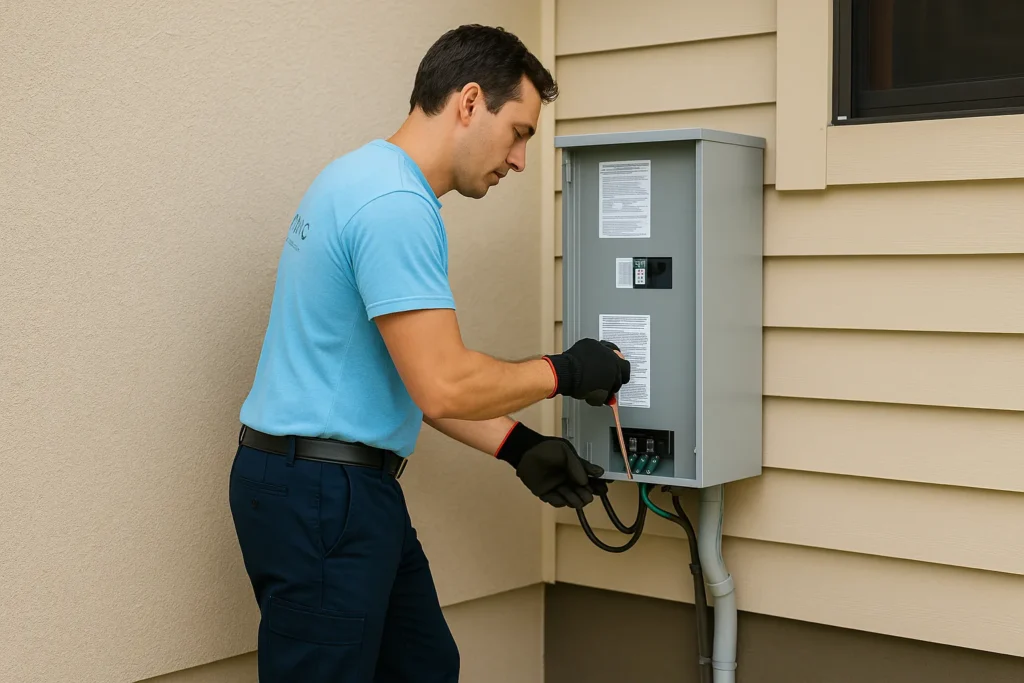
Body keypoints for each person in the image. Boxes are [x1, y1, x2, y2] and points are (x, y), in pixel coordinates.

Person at [228, 23, 630, 683]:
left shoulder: (359, 174)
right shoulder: (394, 205)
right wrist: (563, 372)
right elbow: (444, 382)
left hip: (328, 485)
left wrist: (519, 446)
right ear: (470, 102)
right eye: (521, 133)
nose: (521, 160)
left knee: (423, 665)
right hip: (326, 496)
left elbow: (410, 373)